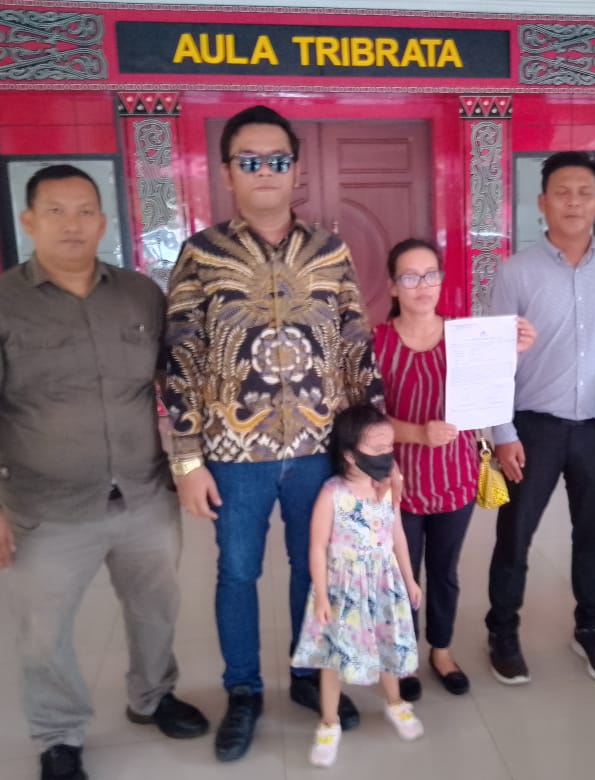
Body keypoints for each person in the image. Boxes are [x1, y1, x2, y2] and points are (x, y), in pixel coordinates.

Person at [0, 165, 208, 780]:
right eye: (56, 211)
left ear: (103, 221)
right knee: (44, 630)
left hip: (143, 493)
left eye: (85, 210)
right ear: (29, 221)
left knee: (155, 609)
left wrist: (188, 463)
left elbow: (174, 386)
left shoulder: (140, 294)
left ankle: (153, 696)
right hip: (46, 507)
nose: (72, 224)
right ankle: (59, 735)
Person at [163, 105, 382, 762]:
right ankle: (244, 691)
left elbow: (355, 346)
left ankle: (309, 675)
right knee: (237, 572)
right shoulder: (202, 254)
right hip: (234, 456)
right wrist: (186, 461)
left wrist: (370, 452)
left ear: (295, 171)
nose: (265, 171)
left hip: (319, 450)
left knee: (314, 567)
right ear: (227, 172)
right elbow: (181, 356)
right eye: (250, 160)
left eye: (277, 160)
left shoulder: (329, 250)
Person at [485, 151, 595, 685]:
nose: (573, 202)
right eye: (562, 192)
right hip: (530, 428)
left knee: (594, 535)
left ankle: (593, 628)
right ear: (542, 202)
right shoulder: (516, 272)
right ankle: (502, 631)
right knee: (515, 535)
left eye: (584, 193)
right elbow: (494, 356)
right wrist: (502, 433)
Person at [373, 238, 535, 701]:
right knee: (402, 572)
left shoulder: (466, 337)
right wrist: (417, 433)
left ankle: (441, 650)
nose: (422, 285)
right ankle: (403, 655)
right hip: (397, 481)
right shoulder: (377, 343)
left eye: (431, 275)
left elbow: (488, 393)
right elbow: (366, 419)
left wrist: (512, 352)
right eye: (410, 277)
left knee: (445, 570)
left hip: (453, 476)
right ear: (393, 286)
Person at [291, 404, 423, 768]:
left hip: (383, 583)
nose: (387, 456)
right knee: (333, 657)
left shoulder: (388, 488)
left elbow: (397, 535)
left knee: (387, 643)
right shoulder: (332, 493)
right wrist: (321, 595)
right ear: (350, 454)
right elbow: (317, 546)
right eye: (378, 449)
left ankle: (395, 702)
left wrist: (409, 578)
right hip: (343, 589)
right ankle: (328, 721)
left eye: (389, 448)